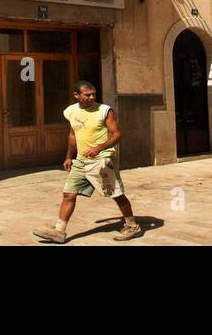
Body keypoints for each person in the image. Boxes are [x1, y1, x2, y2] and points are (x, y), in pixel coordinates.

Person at [33, 81, 141, 243]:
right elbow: (72, 135)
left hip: (102, 159)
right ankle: (59, 231)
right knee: (68, 194)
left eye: (94, 94)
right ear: (77, 95)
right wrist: (69, 156)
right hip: (81, 161)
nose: (92, 97)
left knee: (116, 194)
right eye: (87, 95)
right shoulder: (70, 111)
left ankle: (132, 226)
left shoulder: (105, 111)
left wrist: (99, 147)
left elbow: (117, 134)